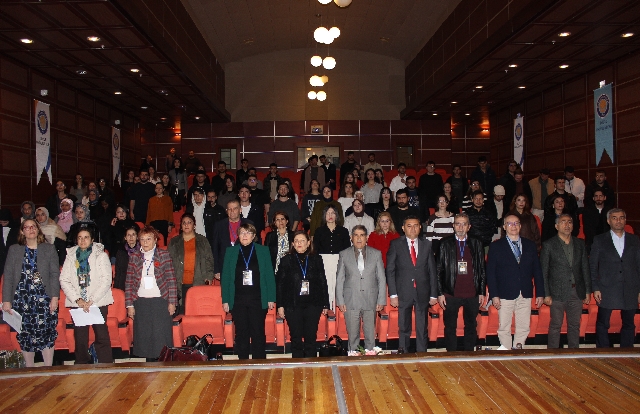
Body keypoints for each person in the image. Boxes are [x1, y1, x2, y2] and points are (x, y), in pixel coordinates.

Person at [2, 219, 59, 367]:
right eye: (27, 227)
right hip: (22, 299)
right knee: (25, 335)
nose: (31, 229)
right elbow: (8, 276)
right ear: (22, 231)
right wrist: (6, 300)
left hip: (44, 299)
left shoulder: (49, 248)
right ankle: (30, 370)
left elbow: (54, 274)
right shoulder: (14, 250)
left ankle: (48, 369)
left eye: (33, 226)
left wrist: (55, 297)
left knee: (46, 333)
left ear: (38, 229)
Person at [487, 213, 544, 350]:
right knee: (504, 326)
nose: (514, 226)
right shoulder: (496, 246)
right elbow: (491, 273)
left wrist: (540, 293)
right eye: (510, 223)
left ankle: (518, 349)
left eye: (516, 223)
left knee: (524, 326)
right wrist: (494, 295)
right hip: (504, 293)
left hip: (525, 291)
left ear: (520, 226)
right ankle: (506, 352)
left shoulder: (530, 245)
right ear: (504, 227)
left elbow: (537, 271)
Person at [221, 223, 275, 359]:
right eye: (242, 233)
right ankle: (243, 362)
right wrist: (225, 300)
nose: (245, 235)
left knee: (258, 332)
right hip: (237, 299)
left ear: (254, 236)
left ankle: (259, 362)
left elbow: (269, 275)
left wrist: (271, 297)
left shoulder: (263, 251)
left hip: (258, 298)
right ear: (238, 236)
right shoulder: (230, 252)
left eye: (248, 232)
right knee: (241, 333)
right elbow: (226, 278)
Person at [60, 228, 114, 364]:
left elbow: (106, 280)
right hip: (78, 302)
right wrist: (78, 299)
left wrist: (91, 300)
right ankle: (82, 364)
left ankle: (106, 363)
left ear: (92, 239)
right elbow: (64, 279)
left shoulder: (101, 255)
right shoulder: (70, 256)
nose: (83, 240)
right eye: (80, 237)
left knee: (101, 335)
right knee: (80, 337)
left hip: (98, 301)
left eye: (86, 237)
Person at [589, 209, 640, 348]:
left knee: (629, 323)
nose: (618, 221)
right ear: (608, 221)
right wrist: (595, 287)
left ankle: (626, 351)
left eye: (621, 218)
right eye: (615, 218)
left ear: (625, 220)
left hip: (630, 287)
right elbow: (592, 266)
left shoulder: (634, 240)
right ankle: (603, 352)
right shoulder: (599, 240)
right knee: (603, 323)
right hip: (607, 287)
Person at [125, 226, 177, 361]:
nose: (145, 242)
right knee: (145, 337)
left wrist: (172, 302)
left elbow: (171, 280)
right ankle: (149, 367)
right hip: (141, 302)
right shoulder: (134, 257)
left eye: (148, 239)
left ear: (155, 240)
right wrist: (129, 305)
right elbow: (129, 282)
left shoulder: (164, 255)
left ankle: (164, 365)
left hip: (160, 301)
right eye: (142, 239)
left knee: (161, 337)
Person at [386, 216, 437, 353]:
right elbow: (390, 270)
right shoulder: (396, 244)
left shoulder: (427, 244)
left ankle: (422, 353)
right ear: (403, 228)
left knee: (422, 327)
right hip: (403, 292)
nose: (413, 228)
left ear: (420, 227)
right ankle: (403, 353)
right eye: (409, 226)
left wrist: (433, 294)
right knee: (404, 327)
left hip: (423, 292)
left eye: (415, 225)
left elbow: (432, 271)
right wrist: (393, 294)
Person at [436, 213, 486, 352]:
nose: (460, 227)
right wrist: (440, 293)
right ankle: (451, 355)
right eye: (458, 223)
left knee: (471, 326)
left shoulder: (477, 243)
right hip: (451, 293)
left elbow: (482, 269)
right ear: (453, 226)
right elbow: (438, 270)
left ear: (469, 227)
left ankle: (469, 353)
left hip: (472, 293)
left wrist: (482, 291)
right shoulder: (444, 243)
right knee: (450, 327)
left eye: (464, 224)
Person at [541, 214, 591, 349]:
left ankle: (573, 353)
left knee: (575, 325)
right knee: (556, 325)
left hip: (577, 291)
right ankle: (552, 353)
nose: (567, 225)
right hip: (556, 291)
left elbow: (585, 268)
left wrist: (587, 291)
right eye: (563, 222)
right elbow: (544, 272)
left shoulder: (580, 244)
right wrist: (546, 294)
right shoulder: (548, 245)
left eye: (569, 222)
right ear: (556, 226)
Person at [276, 231, 329, 357]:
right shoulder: (286, 260)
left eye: (302, 240)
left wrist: (325, 303)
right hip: (292, 304)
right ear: (293, 244)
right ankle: (298, 365)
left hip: (313, 304)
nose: (299, 243)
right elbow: (280, 284)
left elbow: (322, 281)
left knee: (311, 337)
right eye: (296, 241)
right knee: (296, 337)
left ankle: (311, 365)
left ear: (308, 243)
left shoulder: (316, 259)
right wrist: (280, 305)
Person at [336, 225, 386, 351]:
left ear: (367, 237)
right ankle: (353, 356)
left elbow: (381, 278)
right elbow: (340, 279)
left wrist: (381, 300)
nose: (359, 238)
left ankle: (370, 357)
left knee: (370, 335)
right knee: (353, 336)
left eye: (362, 235)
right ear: (351, 237)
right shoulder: (344, 254)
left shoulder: (376, 254)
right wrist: (340, 301)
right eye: (356, 235)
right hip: (351, 300)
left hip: (371, 299)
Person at [168, 213, 214, 312]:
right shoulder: (174, 242)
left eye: (189, 222)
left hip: (198, 280)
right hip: (179, 282)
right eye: (184, 223)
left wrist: (209, 277)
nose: (186, 225)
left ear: (194, 225)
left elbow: (209, 260)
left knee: (196, 310)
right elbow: (168, 262)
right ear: (181, 226)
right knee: (182, 311)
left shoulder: (203, 241)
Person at [313, 205, 351, 310]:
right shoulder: (319, 231)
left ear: (336, 215)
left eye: (333, 213)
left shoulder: (343, 231)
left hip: (339, 261)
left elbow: (347, 250)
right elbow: (315, 250)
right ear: (324, 216)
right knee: (325, 285)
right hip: (323, 261)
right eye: (328, 213)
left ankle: (337, 310)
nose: (330, 215)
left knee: (338, 285)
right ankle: (327, 308)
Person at [212, 199, 253, 280]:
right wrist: (216, 269)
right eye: (229, 209)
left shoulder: (249, 224)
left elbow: (254, 246)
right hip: (225, 266)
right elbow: (215, 248)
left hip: (244, 264)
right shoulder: (219, 225)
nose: (232, 211)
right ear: (226, 211)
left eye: (235, 208)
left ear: (240, 210)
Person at [583, 189, 611, 254]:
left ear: (605, 198)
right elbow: (587, 230)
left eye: (600, 196)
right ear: (593, 198)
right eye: (596, 196)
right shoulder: (587, 211)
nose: (598, 198)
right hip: (592, 242)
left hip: (607, 241)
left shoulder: (610, 211)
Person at [114, 225, 139, 291]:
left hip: (138, 284)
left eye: (133, 235)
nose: (131, 237)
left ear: (137, 237)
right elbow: (118, 272)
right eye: (128, 235)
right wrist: (116, 289)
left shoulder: (142, 251)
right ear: (125, 238)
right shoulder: (120, 252)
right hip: (124, 284)